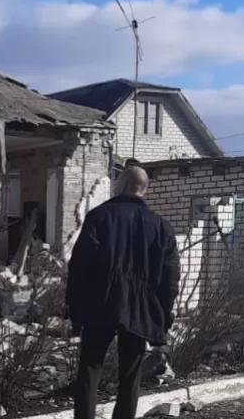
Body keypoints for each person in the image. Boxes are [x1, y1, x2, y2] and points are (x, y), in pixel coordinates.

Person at [66, 165, 181, 419]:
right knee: (130, 376)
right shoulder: (161, 227)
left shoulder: (99, 216)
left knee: (89, 369)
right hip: (140, 309)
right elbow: (171, 278)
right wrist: (163, 313)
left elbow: (79, 265)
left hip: (101, 303)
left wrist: (75, 307)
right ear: (144, 189)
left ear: (122, 185)